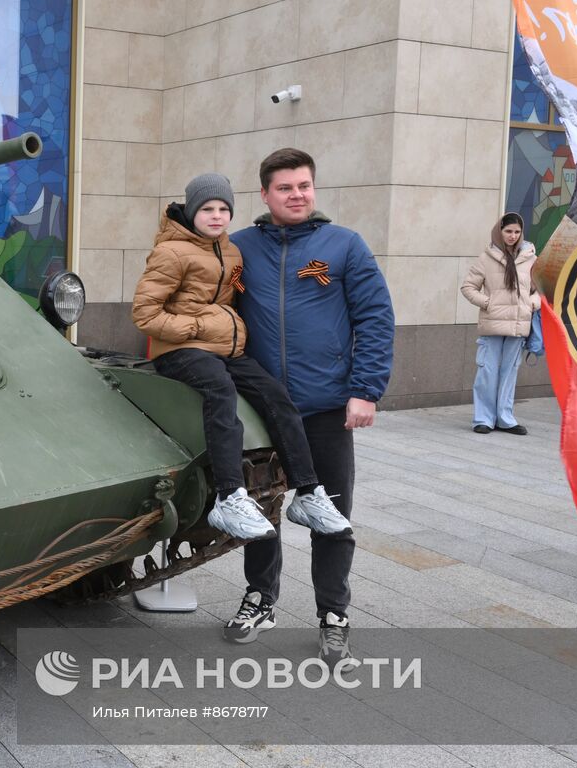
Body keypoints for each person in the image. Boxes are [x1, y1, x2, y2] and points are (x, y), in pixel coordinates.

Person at [228, 149, 395, 668]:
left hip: (324, 407)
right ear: (264, 195)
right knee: (259, 511)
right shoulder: (238, 249)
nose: (297, 195)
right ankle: (261, 598)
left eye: (304, 185)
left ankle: (334, 615)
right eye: (285, 188)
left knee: (331, 515)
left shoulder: (343, 245)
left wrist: (365, 389)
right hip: (261, 410)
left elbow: (375, 318)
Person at [131, 172, 353, 548]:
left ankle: (308, 491)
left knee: (276, 396)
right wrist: (197, 328)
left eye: (223, 209)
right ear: (191, 210)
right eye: (207, 208)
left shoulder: (229, 249)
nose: (216, 216)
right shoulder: (170, 251)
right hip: (179, 351)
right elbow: (144, 314)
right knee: (220, 394)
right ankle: (230, 497)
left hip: (225, 349)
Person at [461, 213, 538, 436]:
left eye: (516, 232)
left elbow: (540, 290)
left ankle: (505, 418)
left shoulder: (531, 258)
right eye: (508, 231)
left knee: (509, 372)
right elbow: (468, 287)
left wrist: (532, 304)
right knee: (487, 371)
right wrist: (488, 303)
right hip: (493, 324)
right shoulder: (487, 258)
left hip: (517, 324)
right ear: (499, 231)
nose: (512, 236)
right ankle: (483, 418)